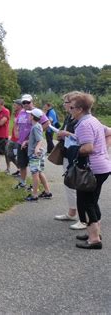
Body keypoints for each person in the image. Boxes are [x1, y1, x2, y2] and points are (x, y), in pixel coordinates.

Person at [69, 93, 111, 249]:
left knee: (86, 203)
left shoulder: (84, 124)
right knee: (92, 202)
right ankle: (94, 233)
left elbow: (88, 148)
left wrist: (72, 150)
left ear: (80, 109)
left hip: (91, 169)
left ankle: (94, 240)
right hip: (101, 167)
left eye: (71, 107)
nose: (69, 110)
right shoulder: (93, 120)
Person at [54, 92, 86, 230]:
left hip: (78, 157)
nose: (65, 105)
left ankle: (85, 219)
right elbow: (63, 132)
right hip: (68, 154)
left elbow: (83, 139)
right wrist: (60, 135)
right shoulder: (69, 117)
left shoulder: (83, 119)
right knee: (69, 184)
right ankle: (72, 212)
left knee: (80, 186)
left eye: (66, 102)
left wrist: (67, 134)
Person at [14, 94, 50, 190]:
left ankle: (36, 188)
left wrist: (35, 134)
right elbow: (16, 124)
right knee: (22, 164)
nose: (25, 104)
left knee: (34, 168)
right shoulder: (21, 112)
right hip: (21, 142)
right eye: (23, 102)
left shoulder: (36, 112)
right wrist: (16, 132)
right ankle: (22, 183)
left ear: (31, 101)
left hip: (31, 144)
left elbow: (47, 123)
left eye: (27, 102)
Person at [22, 108, 52, 201]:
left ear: (32, 117)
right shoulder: (37, 126)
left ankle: (34, 195)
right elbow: (36, 138)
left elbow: (40, 140)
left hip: (35, 154)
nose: (28, 116)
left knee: (35, 174)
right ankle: (47, 192)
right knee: (39, 172)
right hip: (38, 153)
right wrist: (27, 142)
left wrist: (36, 149)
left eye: (30, 115)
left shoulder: (35, 127)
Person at [5, 99, 22, 176]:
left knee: (17, 155)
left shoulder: (22, 114)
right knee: (9, 154)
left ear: (19, 105)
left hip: (18, 140)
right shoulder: (16, 114)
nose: (13, 106)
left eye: (15, 105)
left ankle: (20, 171)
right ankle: (19, 168)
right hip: (12, 138)